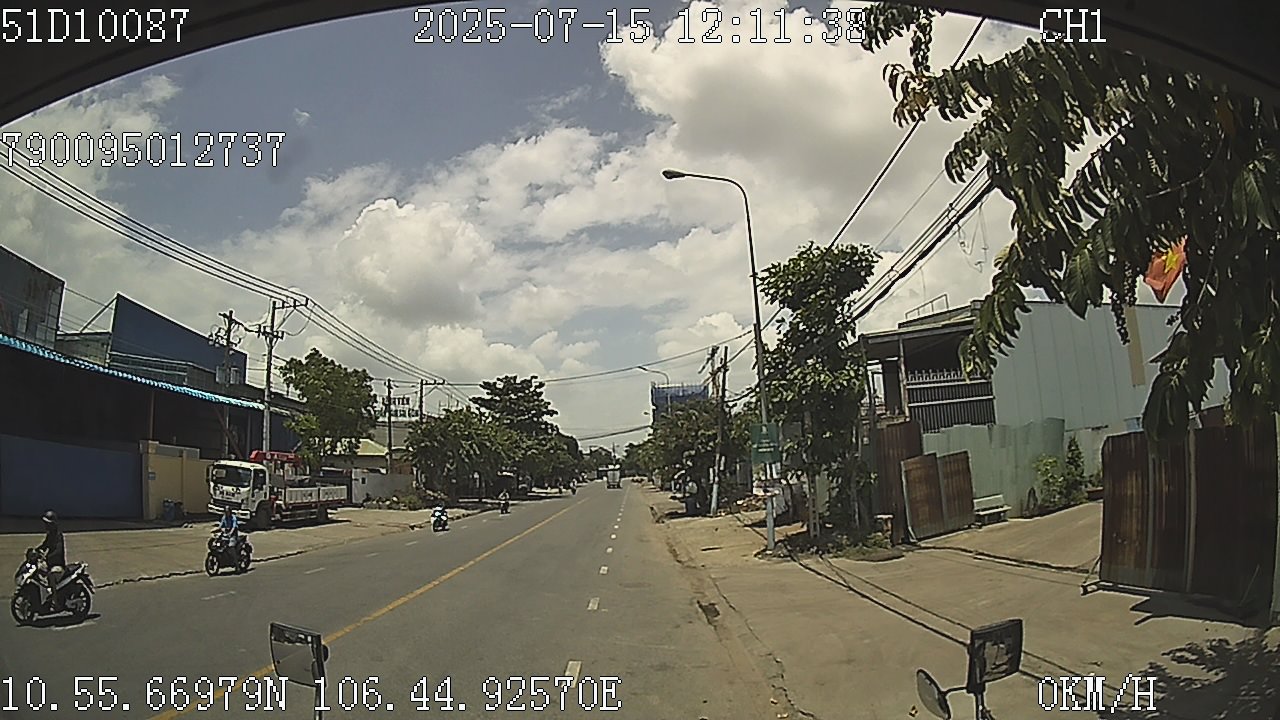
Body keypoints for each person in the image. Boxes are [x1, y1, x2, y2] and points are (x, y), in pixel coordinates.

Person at [37, 510, 66, 594]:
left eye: (48, 524)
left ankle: (55, 598)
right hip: (50, 562)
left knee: (52, 575)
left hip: (57, 564)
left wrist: (47, 557)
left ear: (53, 524)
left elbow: (58, 551)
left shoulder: (58, 535)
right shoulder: (50, 534)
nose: (46, 526)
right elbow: (45, 544)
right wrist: (36, 551)